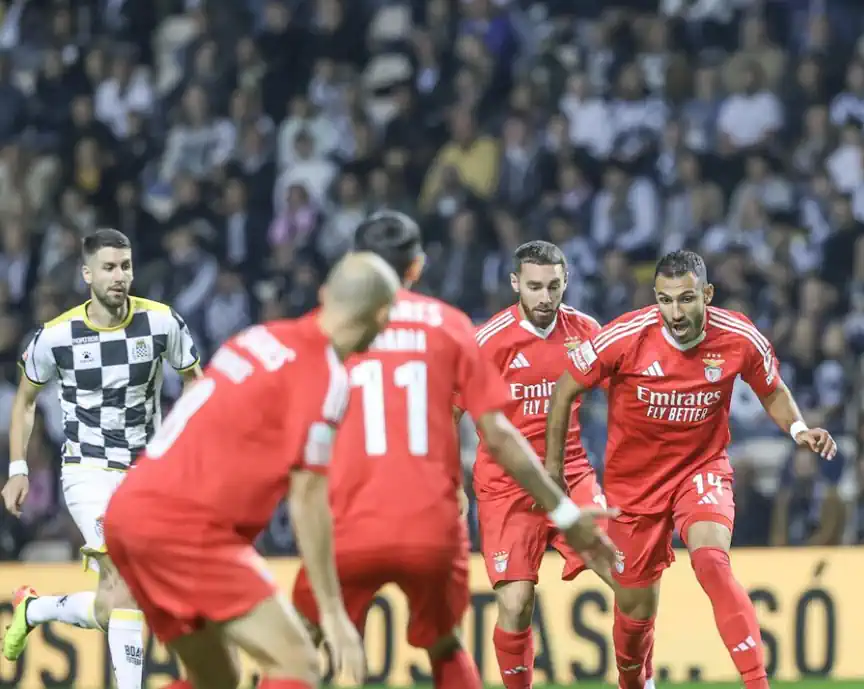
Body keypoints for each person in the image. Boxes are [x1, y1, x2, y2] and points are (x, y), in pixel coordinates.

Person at [289, 214, 616, 689]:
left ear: (353, 265)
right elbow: (499, 434)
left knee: (298, 644)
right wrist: (561, 510)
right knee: (445, 645)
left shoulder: (319, 331)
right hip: (430, 523)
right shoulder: (451, 327)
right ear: (417, 267)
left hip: (352, 517)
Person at [101, 252, 402, 689]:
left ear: (324, 295)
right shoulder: (326, 376)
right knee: (299, 664)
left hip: (130, 511)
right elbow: (308, 499)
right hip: (186, 529)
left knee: (216, 679)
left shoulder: (259, 337)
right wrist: (334, 614)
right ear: (382, 315)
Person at [545, 250, 837, 689]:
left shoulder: (738, 335)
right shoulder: (624, 336)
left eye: (685, 299)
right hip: (633, 488)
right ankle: (634, 682)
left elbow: (771, 389)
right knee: (635, 615)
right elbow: (565, 388)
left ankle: (757, 683)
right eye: (665, 300)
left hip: (700, 469)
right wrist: (554, 468)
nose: (675, 312)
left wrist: (798, 429)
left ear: (708, 294)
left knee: (712, 562)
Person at [3, 228, 202, 689]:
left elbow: (197, 383)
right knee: (124, 576)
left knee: (114, 602)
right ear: (87, 273)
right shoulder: (56, 336)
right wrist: (18, 469)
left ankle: (34, 609)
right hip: (87, 472)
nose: (120, 276)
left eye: (126, 266)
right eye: (109, 268)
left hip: (145, 475)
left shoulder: (162, 324)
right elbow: (26, 401)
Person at [462, 239, 621, 689]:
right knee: (516, 603)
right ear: (515, 285)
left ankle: (640, 682)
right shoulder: (489, 342)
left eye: (554, 286)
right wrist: (452, 483)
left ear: (566, 281)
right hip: (507, 485)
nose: (545, 297)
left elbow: (623, 392)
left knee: (626, 578)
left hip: (571, 472)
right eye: (534, 287)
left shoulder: (587, 331)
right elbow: (449, 409)